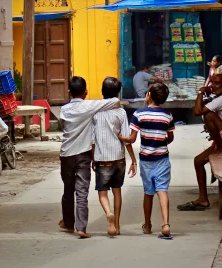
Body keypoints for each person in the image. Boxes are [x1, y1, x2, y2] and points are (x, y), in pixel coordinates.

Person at [59, 76, 120, 239]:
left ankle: (68, 222)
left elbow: (62, 124)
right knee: (82, 191)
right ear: (85, 92)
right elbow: (115, 102)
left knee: (68, 189)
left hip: (66, 154)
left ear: (69, 92)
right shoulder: (90, 106)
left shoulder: (64, 109)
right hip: (83, 155)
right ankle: (81, 227)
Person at [177, 74, 222, 211]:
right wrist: (203, 96)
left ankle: (220, 148)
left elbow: (198, 111)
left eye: (217, 83)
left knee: (209, 115)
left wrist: (200, 92)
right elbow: (198, 107)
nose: (214, 86)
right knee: (198, 161)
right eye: (212, 83)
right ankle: (203, 198)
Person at [119, 83, 175, 238]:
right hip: (162, 158)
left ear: (148, 95)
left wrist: (120, 136)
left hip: (146, 160)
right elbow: (170, 137)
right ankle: (165, 224)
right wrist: (160, 142)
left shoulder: (139, 114)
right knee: (162, 191)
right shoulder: (167, 115)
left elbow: (131, 138)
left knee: (148, 193)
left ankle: (148, 225)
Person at [92, 77, 137, 237]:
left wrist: (93, 158)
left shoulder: (96, 113)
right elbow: (126, 138)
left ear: (102, 92)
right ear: (117, 93)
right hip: (118, 158)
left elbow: (92, 140)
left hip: (102, 158)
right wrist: (133, 159)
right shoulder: (121, 112)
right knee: (117, 191)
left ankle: (108, 213)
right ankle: (117, 225)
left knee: (102, 192)